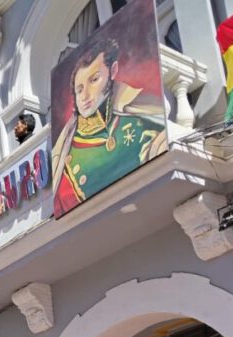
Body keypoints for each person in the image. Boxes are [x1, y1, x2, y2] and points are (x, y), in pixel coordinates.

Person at [52, 37, 167, 218]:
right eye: (79, 89)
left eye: (94, 80)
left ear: (112, 71)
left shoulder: (138, 113)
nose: (85, 95)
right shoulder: (67, 154)